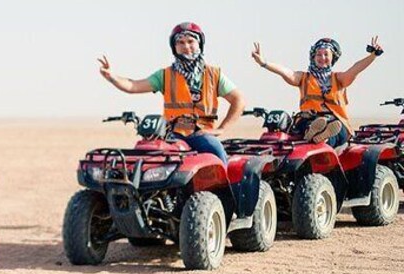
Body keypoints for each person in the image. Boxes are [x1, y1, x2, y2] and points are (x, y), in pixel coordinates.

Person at [97, 22, 246, 164]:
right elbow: (134, 86)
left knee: (216, 150)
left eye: (191, 41)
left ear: (199, 43)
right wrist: (112, 77)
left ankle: (228, 190)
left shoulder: (214, 74)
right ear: (174, 47)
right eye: (180, 42)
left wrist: (221, 129)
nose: (186, 46)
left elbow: (238, 100)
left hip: (202, 134)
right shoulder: (165, 75)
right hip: (172, 135)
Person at [251, 36, 385, 147]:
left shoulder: (339, 79)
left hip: (336, 121)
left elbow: (356, 69)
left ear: (333, 58)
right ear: (313, 57)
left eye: (326, 54)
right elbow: (286, 72)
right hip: (310, 118)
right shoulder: (303, 78)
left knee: (338, 131)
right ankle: (313, 132)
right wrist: (264, 63)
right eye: (319, 54)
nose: (322, 57)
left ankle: (322, 138)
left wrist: (373, 56)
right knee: (306, 124)